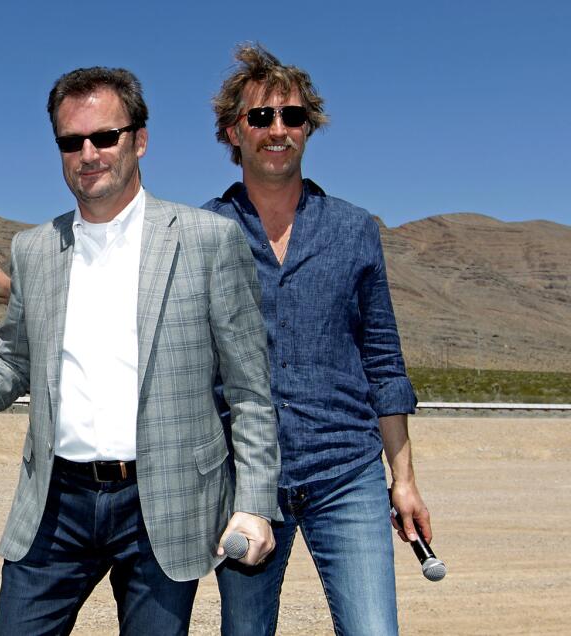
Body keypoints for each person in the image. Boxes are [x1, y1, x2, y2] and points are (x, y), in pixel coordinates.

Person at [0, 66, 281, 635]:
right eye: (71, 141)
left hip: (163, 500)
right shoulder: (35, 249)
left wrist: (256, 502)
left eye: (104, 137)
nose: (88, 153)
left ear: (138, 140)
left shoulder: (208, 239)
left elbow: (249, 390)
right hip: (55, 504)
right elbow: (16, 359)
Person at [204, 44, 432, 635]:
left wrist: (402, 480)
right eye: (260, 117)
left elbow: (383, 360)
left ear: (308, 128)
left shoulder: (355, 229)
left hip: (346, 471)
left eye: (293, 117)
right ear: (234, 131)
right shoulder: (202, 233)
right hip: (248, 479)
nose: (277, 130)